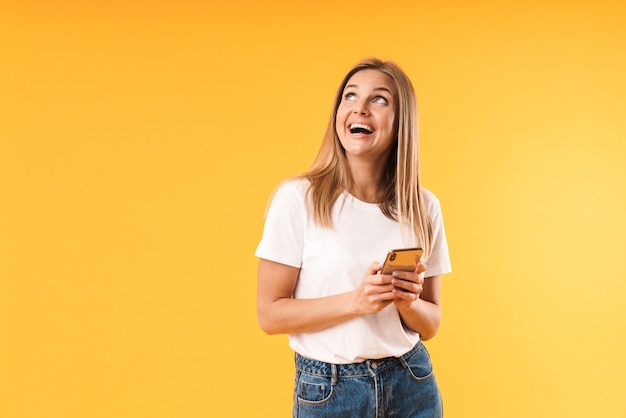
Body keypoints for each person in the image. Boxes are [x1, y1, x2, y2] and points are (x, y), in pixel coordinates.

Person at [255, 58, 452, 418]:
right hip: (330, 391)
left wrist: (407, 302)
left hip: (411, 382)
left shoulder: (423, 206)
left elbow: (432, 323)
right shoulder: (298, 198)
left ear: (400, 122)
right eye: (350, 96)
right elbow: (269, 315)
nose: (359, 107)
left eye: (379, 99)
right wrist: (357, 301)